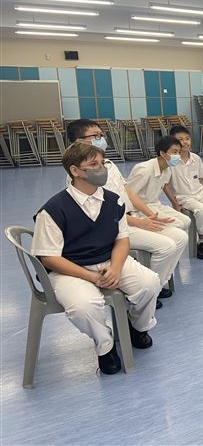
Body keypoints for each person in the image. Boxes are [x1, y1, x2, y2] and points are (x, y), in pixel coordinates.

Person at [32, 142, 161, 375]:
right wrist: (91, 277)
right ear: (75, 171)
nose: (102, 169)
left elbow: (122, 240)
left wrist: (116, 267)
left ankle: (137, 326)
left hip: (108, 260)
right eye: (93, 165)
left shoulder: (114, 201)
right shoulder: (53, 210)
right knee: (84, 306)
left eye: (102, 163)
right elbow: (49, 258)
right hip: (68, 269)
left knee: (150, 283)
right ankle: (105, 345)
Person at [66, 120, 188, 307]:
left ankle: (155, 286)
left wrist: (150, 215)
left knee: (180, 237)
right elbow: (102, 213)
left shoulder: (108, 164)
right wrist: (139, 223)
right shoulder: (80, 175)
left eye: (101, 135)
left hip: (131, 217)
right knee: (166, 246)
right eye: (95, 136)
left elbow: (129, 192)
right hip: (114, 227)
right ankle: (144, 293)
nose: (101, 139)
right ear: (78, 141)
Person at [164, 125, 203, 259]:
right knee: (202, 210)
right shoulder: (171, 162)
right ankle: (202, 242)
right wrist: (174, 203)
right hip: (184, 197)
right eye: (180, 139)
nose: (185, 142)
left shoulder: (196, 158)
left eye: (187, 138)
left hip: (200, 193)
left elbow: (201, 179)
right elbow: (164, 185)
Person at [126, 136, 191, 233]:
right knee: (178, 224)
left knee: (186, 221)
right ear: (162, 153)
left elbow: (163, 186)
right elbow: (128, 195)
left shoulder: (167, 169)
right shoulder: (144, 169)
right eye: (174, 152)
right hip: (139, 209)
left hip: (155, 205)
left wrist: (175, 203)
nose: (178, 156)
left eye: (179, 152)